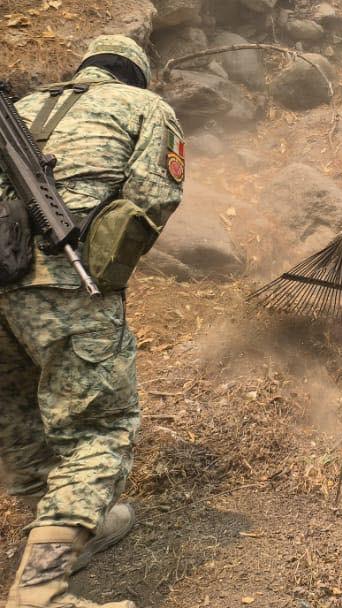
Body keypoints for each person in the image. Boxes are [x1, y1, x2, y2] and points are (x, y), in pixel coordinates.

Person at [1, 35, 185, 608]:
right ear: (137, 75)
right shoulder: (145, 107)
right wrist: (104, 274)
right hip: (65, 281)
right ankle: (40, 590)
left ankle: (68, 532)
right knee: (98, 430)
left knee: (18, 416)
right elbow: (153, 194)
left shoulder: (23, 108)